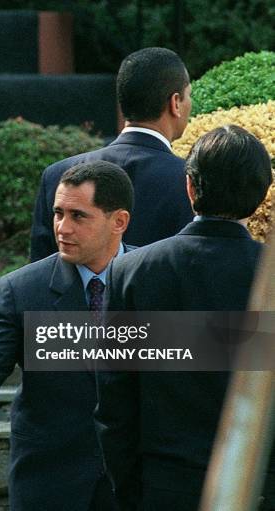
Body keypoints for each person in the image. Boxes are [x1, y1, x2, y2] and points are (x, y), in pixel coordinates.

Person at [95, 125, 274, 510]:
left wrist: (129, 491)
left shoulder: (133, 271)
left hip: (164, 485)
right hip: (259, 485)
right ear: (261, 196)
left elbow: (115, 399)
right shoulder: (268, 277)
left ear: (190, 187)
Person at [0, 161, 134, 510]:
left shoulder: (155, 280)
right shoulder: (23, 289)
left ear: (118, 221)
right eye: (58, 213)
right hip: (50, 479)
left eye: (78, 216)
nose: (62, 227)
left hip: (133, 480)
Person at [31, 47, 194, 261]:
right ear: (175, 103)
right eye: (189, 95)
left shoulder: (56, 175)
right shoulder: (190, 182)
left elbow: (38, 278)